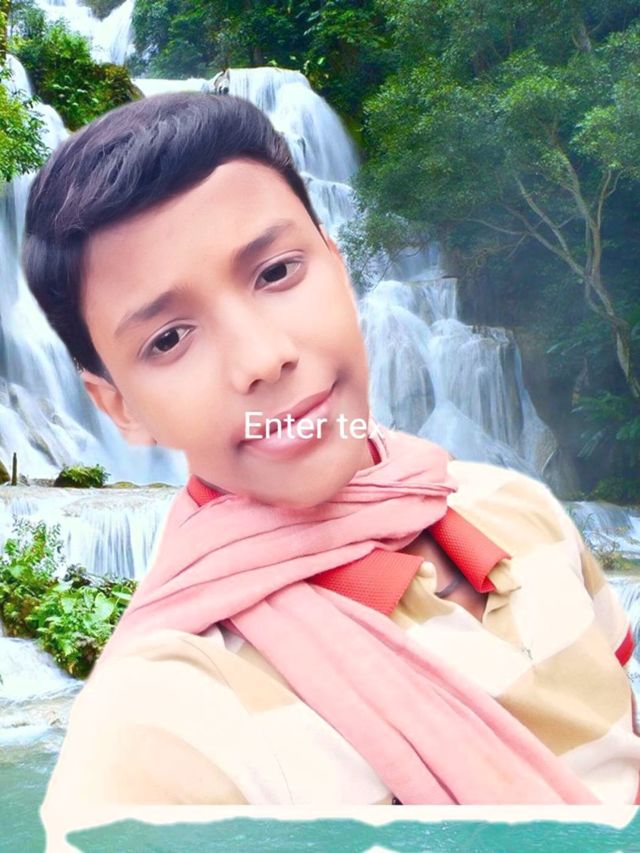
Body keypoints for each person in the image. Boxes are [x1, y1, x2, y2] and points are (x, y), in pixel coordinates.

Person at [22, 92, 640, 848]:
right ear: (120, 407)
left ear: (339, 265)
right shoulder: (154, 733)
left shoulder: (521, 510)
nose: (262, 358)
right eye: (171, 338)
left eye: (277, 271)